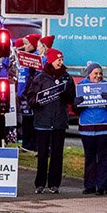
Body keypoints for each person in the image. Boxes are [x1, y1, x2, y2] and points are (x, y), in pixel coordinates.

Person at [26, 48, 75, 194]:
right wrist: (36, 101)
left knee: (57, 154)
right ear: (51, 60)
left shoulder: (66, 78)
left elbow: (72, 97)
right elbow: (30, 97)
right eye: (58, 59)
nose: (60, 62)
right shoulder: (40, 78)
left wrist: (66, 94)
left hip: (59, 121)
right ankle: (40, 183)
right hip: (43, 121)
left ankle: (54, 183)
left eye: (61, 59)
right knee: (42, 154)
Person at [73, 62, 107, 195]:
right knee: (90, 158)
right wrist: (76, 104)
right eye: (95, 73)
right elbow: (76, 110)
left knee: (103, 157)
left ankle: (102, 186)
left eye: (100, 73)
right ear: (89, 74)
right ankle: (89, 185)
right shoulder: (81, 86)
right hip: (87, 128)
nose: (98, 76)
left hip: (104, 127)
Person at [18, 33, 41, 153]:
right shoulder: (25, 56)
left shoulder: (34, 58)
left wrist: (28, 92)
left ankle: (31, 144)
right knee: (26, 120)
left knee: (31, 120)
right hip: (23, 95)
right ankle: (27, 144)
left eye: (27, 44)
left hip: (29, 94)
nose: (24, 46)